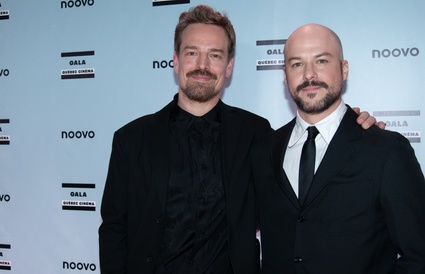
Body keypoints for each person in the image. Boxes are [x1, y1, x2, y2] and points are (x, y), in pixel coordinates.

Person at [98, 6, 378, 273]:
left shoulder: (258, 135)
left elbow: (305, 194)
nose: (202, 66)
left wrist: (349, 128)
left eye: (216, 55)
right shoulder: (131, 140)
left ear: (229, 66)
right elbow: (113, 229)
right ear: (176, 61)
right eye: (192, 53)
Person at [251, 23, 425, 273]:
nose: (309, 75)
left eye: (321, 61)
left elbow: (418, 255)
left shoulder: (386, 151)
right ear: (285, 74)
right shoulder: (263, 151)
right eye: (297, 64)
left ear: (344, 69)